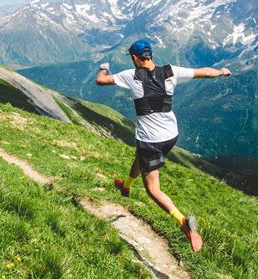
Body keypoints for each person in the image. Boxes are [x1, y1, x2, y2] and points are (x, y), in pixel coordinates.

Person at [95, 39, 231, 252]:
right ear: (151, 55)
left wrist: (103, 68)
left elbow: (100, 81)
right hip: (171, 135)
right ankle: (127, 186)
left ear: (134, 57)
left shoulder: (130, 75)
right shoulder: (170, 71)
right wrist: (222, 71)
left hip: (150, 139)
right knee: (140, 158)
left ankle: (183, 222)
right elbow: (203, 72)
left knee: (153, 189)